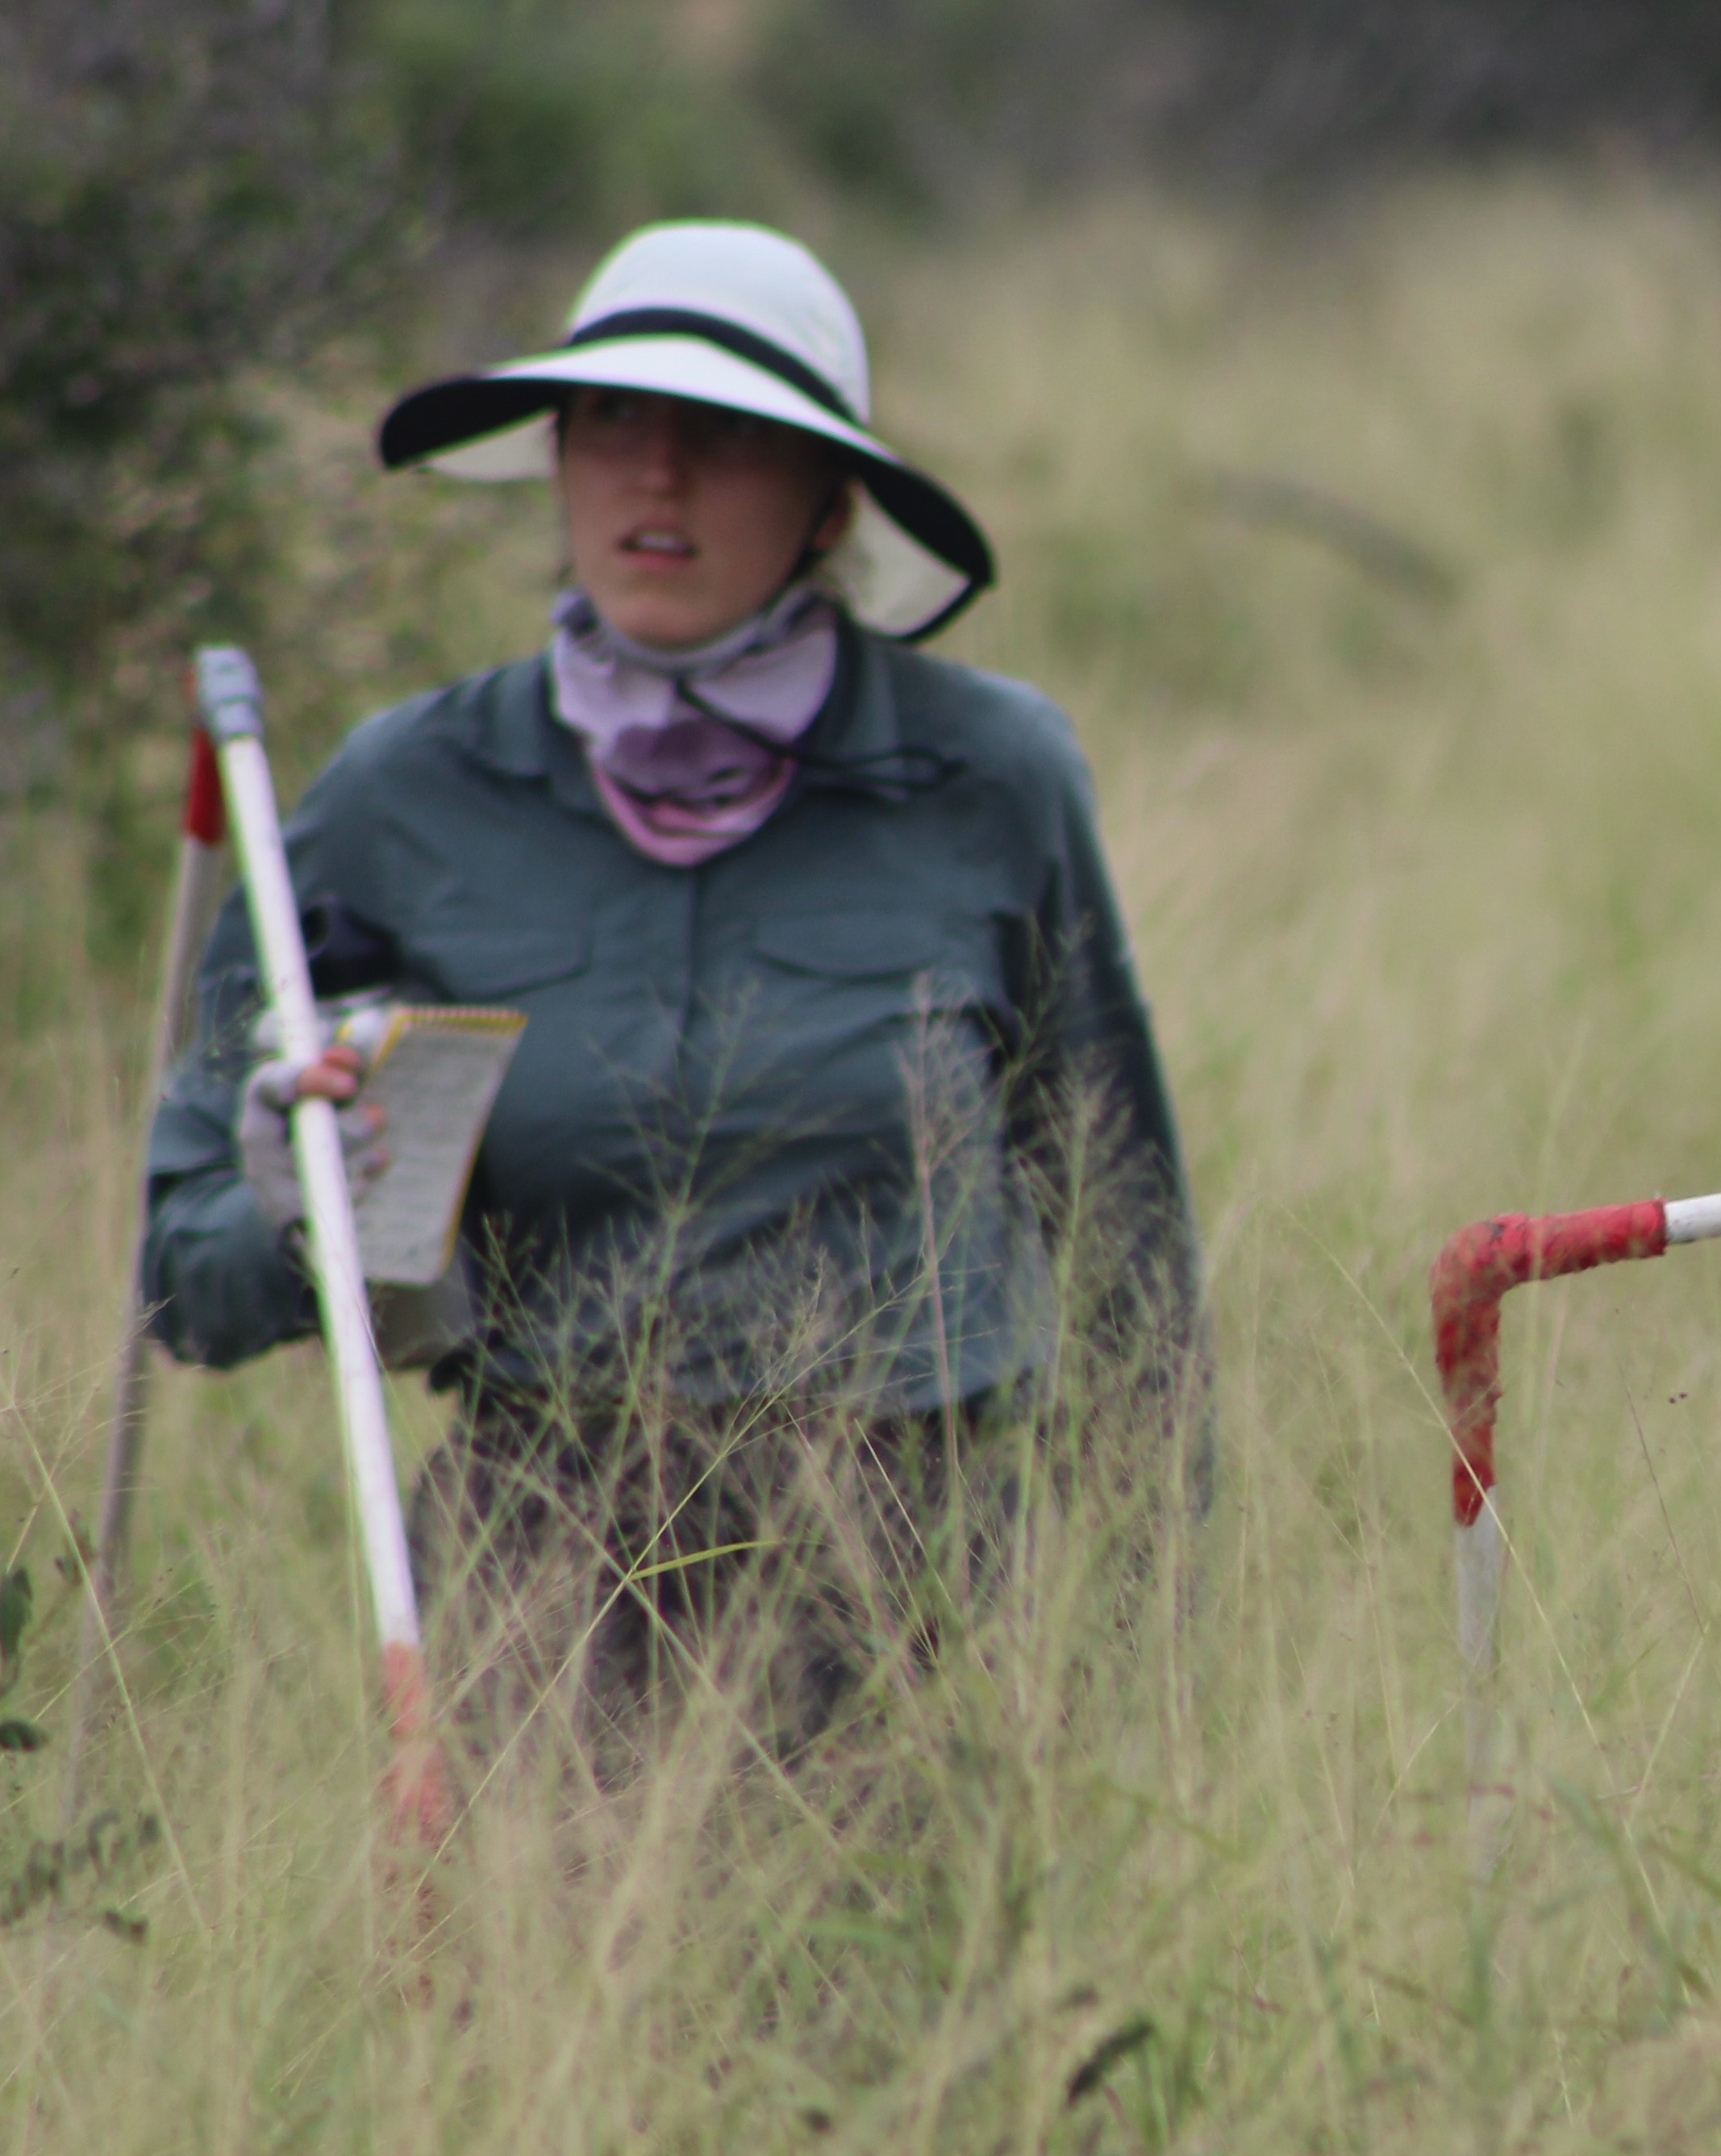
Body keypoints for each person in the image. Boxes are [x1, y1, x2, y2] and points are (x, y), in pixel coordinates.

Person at [141, 222, 1199, 1766]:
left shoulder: (994, 777)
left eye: (723, 438)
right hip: (547, 1603)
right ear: (557, 460)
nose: (657, 477)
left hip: (932, 1595)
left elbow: (1124, 1241)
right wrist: (307, 1189)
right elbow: (182, 1271)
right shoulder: (400, 795)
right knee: (565, 2009)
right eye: (613, 423)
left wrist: (1150, 1655)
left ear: (830, 502)